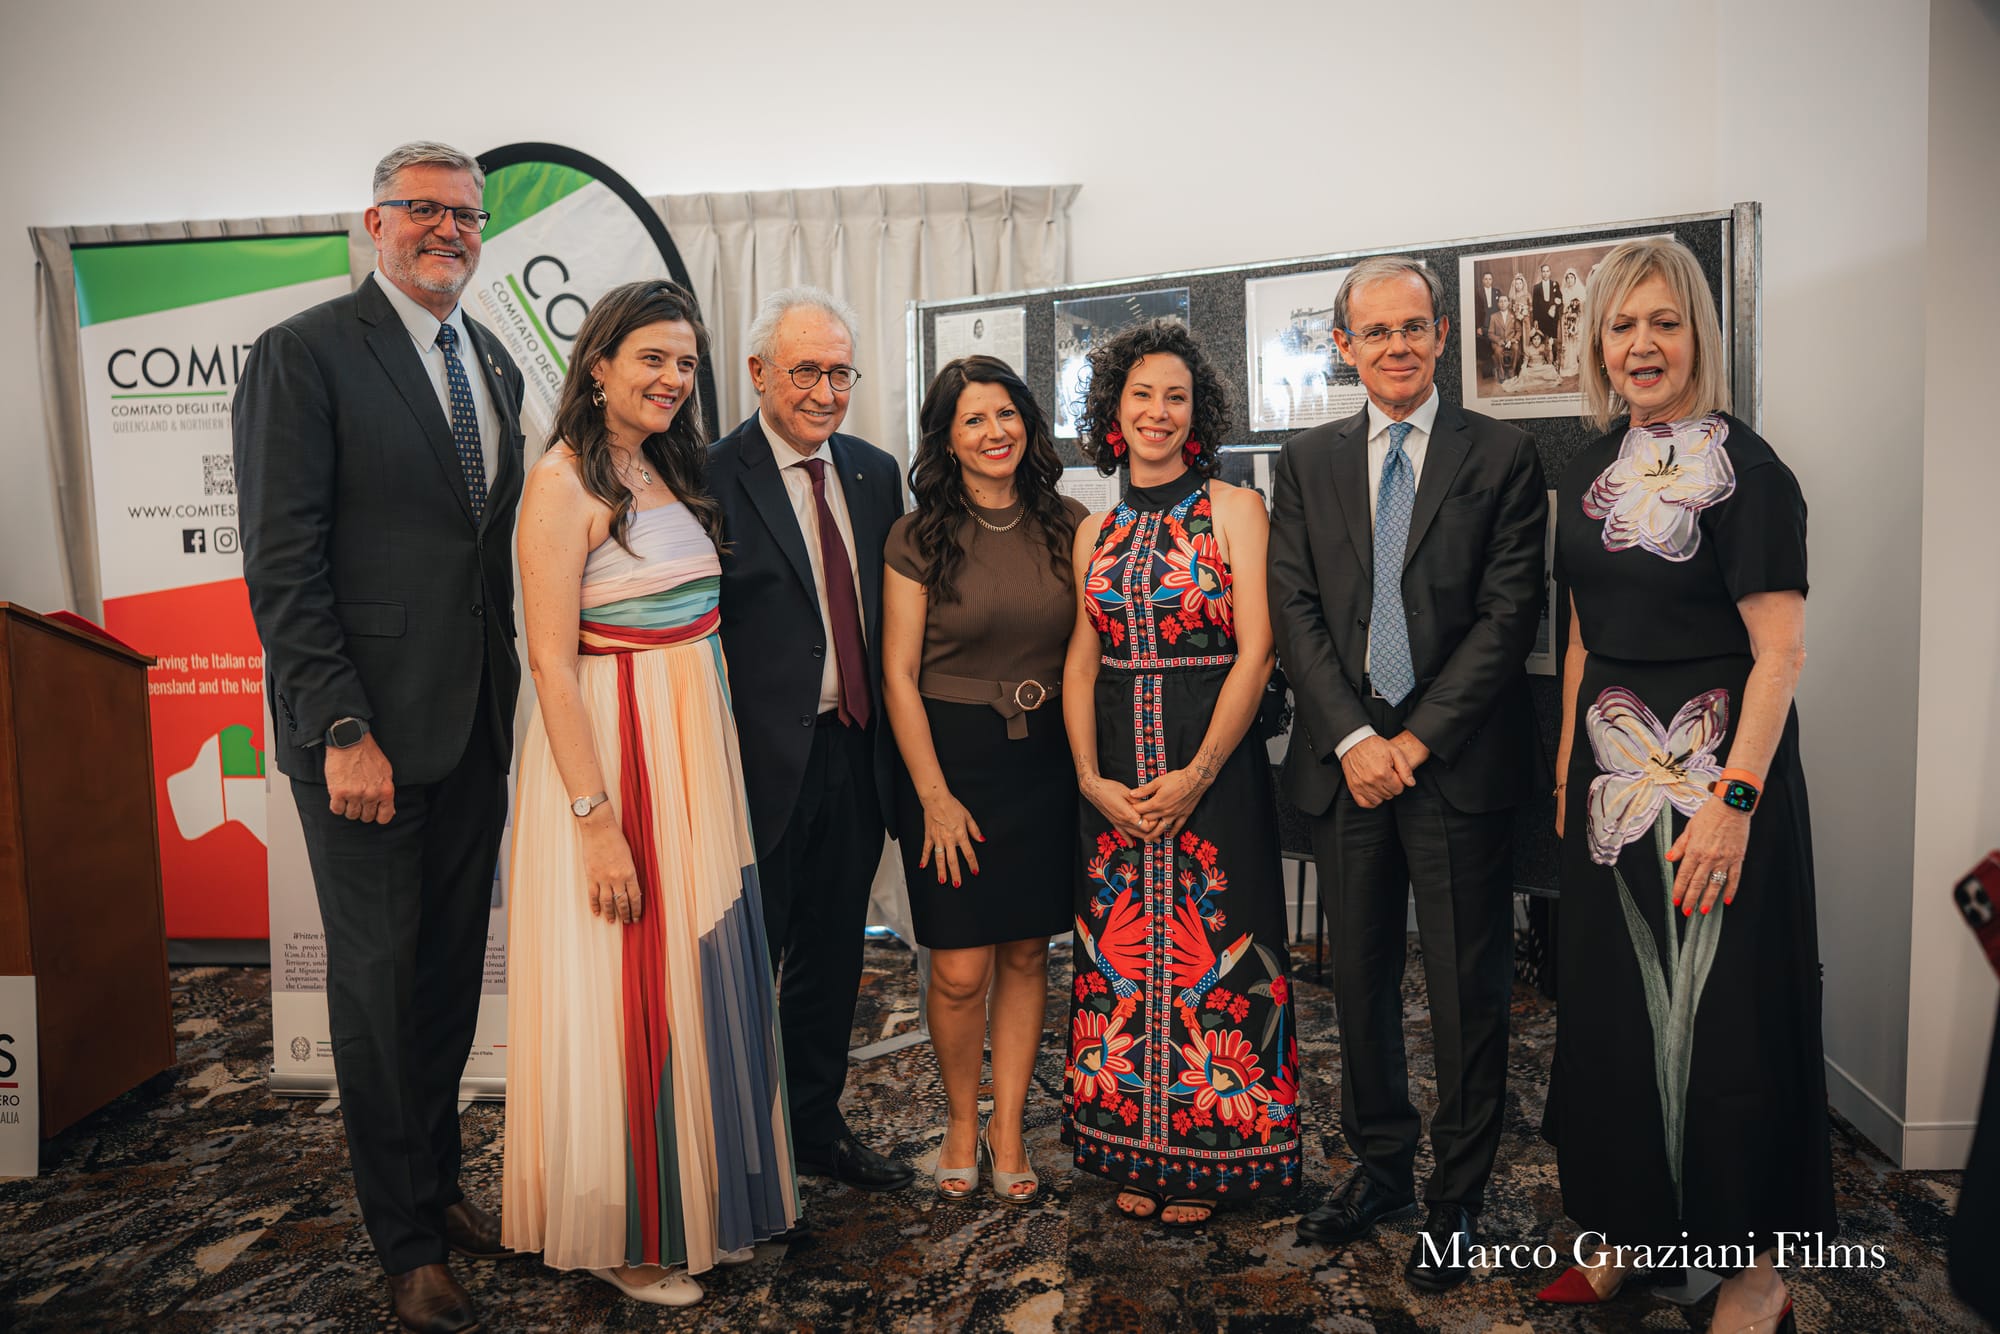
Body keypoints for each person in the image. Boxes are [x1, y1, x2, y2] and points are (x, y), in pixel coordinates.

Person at [233, 141, 525, 1334]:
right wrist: (341, 724)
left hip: (476, 728)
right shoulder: (303, 356)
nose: (447, 228)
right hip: (363, 743)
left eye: (464, 213)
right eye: (424, 210)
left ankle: (439, 1184)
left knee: (449, 979)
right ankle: (404, 1244)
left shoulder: (494, 358)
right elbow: (283, 565)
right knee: (375, 987)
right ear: (373, 222)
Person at [1539, 236, 1832, 1334]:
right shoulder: (1585, 472)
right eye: (1621, 325)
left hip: (1718, 782)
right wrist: (1569, 762)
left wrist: (1734, 803)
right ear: (1598, 345)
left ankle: (1755, 1271)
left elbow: (1781, 654)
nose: (1641, 343)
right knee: (1619, 1014)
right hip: (1614, 787)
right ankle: (1628, 1229)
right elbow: (1580, 632)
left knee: (1728, 1019)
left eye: (1662, 321)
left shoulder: (1749, 475)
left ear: (1696, 334)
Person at [500, 281, 797, 1307]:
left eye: (683, 362)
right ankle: (618, 1228)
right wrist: (596, 826)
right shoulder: (559, 482)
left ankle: (694, 1196)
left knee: (693, 970)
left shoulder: (670, 466)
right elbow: (548, 662)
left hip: (692, 750)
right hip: (612, 757)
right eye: (651, 359)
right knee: (618, 985)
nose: (671, 378)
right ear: (598, 364)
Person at [1268, 255, 1547, 1292]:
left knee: (1468, 990)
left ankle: (1456, 1199)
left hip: (1453, 763)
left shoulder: (1505, 455)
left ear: (1440, 336)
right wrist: (1352, 738)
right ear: (1342, 345)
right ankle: (1380, 1169)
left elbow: (1503, 616)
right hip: (1345, 766)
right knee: (1358, 980)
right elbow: (1292, 609)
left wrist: (1412, 740)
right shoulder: (1305, 463)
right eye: (1371, 330)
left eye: (1410, 327)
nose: (1393, 345)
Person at [1061, 319, 1300, 1230]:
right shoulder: (1096, 527)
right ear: (1113, 414)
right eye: (1141, 396)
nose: (1158, 413)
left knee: (1219, 958)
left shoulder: (1236, 508)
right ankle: (1135, 1142)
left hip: (1218, 773)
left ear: (1198, 416)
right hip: (1115, 779)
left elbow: (1258, 651)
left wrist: (1201, 771)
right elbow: (1081, 663)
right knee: (1121, 963)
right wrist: (1088, 778)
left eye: (1177, 397)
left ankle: (1214, 1152)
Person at [708, 287, 914, 1192]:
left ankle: (816, 1127)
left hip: (854, 751)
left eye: (840, 372)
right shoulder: (708, 476)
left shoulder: (874, 472)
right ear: (758, 373)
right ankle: (745, 1152)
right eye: (806, 371)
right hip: (755, 763)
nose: (826, 391)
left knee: (835, 954)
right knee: (752, 965)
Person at [882, 355, 1085, 1204]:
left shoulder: (1071, 522)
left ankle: (1010, 1127)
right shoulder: (916, 533)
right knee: (960, 967)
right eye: (974, 419)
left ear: (1028, 425)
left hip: (1045, 758)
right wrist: (932, 795)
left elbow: (1091, 648)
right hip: (951, 762)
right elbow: (896, 673)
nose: (994, 432)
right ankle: (962, 1118)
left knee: (1030, 951)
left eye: (1007, 415)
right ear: (947, 437)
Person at [1559, 266, 1586, 377]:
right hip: (1566, 319)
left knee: (1577, 341)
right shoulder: (1563, 292)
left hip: (1578, 320)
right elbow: (1561, 307)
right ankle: (1569, 366)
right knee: (1568, 342)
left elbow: (1583, 308)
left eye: (1571, 277)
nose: (1570, 280)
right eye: (1568, 278)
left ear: (1575, 279)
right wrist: (1567, 312)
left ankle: (1580, 365)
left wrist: (1576, 314)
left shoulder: (1581, 291)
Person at [1534, 262, 1564, 358]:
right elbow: (1535, 305)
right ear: (1541, 273)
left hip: (1552, 317)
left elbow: (1560, 299)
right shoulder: (1537, 287)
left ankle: (1554, 360)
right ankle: (1544, 359)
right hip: (1542, 317)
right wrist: (1535, 320)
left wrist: (1554, 306)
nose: (1545, 273)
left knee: (1553, 339)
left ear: (1550, 272)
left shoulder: (1555, 284)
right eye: (1543, 271)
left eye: (1547, 271)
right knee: (1543, 338)